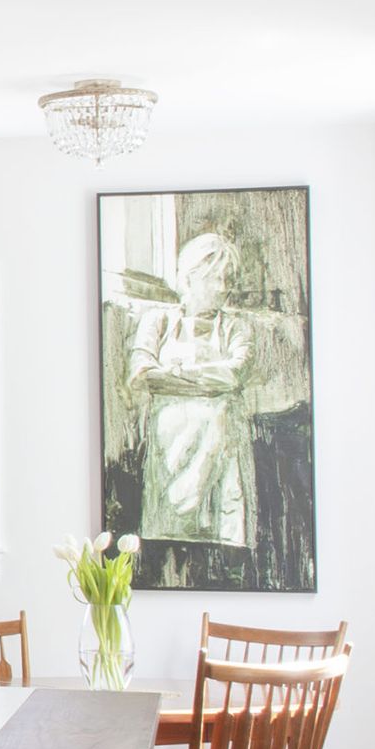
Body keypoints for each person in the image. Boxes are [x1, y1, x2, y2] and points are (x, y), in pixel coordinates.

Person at [124, 232, 256, 548]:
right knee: (168, 537)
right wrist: (206, 381)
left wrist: (175, 373)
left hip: (218, 446)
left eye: (229, 280)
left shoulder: (237, 328)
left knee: (218, 539)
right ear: (189, 277)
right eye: (214, 278)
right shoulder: (157, 321)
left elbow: (234, 374)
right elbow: (141, 374)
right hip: (169, 444)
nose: (223, 288)